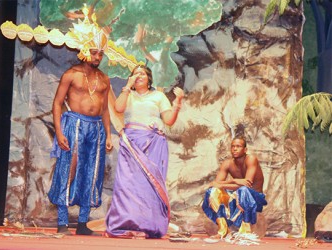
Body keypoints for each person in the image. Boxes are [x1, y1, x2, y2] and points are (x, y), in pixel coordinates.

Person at [105, 65, 184, 239]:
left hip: (153, 144)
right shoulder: (128, 95)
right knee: (127, 185)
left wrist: (177, 103)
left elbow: (169, 120)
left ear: (149, 78)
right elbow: (118, 108)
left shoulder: (158, 96)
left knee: (150, 187)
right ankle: (123, 225)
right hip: (131, 143)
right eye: (135, 74)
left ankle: (151, 226)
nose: (138, 76)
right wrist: (127, 86)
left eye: (142, 74)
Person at [48, 48, 113, 235]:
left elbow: (106, 109)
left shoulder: (104, 79)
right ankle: (62, 223)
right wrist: (59, 133)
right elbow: (57, 103)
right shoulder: (71, 75)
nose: (98, 57)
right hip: (74, 124)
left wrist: (108, 134)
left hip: (96, 128)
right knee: (68, 170)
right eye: (94, 53)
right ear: (84, 53)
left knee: (91, 173)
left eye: (100, 54)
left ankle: (83, 224)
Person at [202, 136, 267, 239]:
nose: (235, 149)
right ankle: (223, 230)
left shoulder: (251, 159)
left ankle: (245, 232)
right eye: (233, 146)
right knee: (212, 192)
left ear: (245, 149)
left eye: (238, 146)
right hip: (237, 197)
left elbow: (246, 185)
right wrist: (232, 181)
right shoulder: (227, 163)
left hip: (255, 198)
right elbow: (216, 184)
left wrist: (230, 182)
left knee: (243, 190)